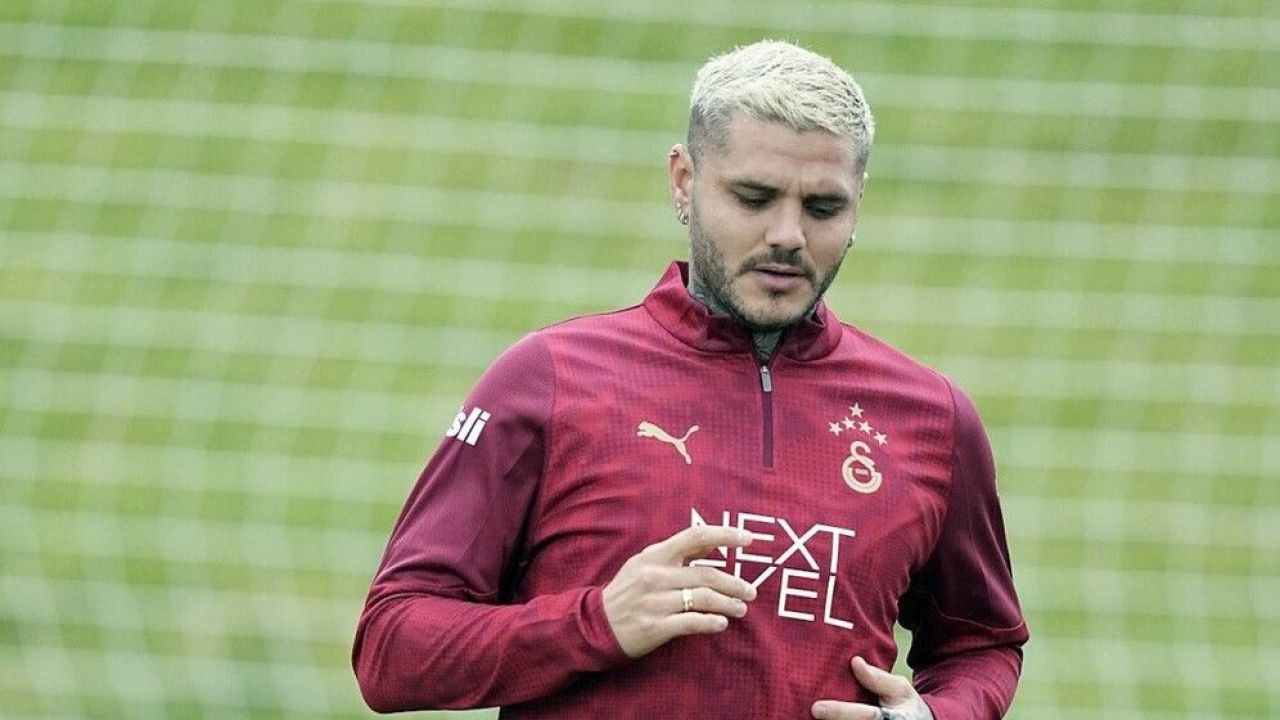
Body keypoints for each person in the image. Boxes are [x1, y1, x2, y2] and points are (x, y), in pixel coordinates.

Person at [353, 40, 1028, 720]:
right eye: (754, 198)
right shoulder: (550, 379)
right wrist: (596, 624)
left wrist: (935, 716)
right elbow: (391, 649)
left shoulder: (932, 418)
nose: (788, 235)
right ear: (684, 180)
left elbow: (983, 644)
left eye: (823, 207)